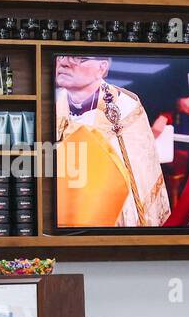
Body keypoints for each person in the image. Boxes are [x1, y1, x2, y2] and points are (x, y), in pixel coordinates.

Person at [55, 55, 171, 228]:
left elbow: (137, 177)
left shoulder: (125, 107)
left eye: (80, 58)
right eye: (62, 56)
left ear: (102, 68)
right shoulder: (49, 103)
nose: (63, 62)